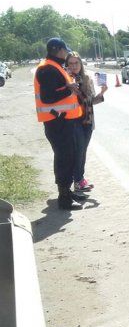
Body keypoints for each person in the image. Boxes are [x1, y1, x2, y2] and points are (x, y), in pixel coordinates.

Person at [35, 38, 85, 210]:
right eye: (65, 51)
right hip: (57, 122)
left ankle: (66, 192)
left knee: (67, 157)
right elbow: (47, 97)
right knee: (64, 159)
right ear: (59, 50)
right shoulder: (47, 69)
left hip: (61, 121)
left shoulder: (54, 66)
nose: (66, 54)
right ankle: (64, 198)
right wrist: (69, 88)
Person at [65, 51, 107, 192]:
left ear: (81, 64)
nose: (73, 66)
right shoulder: (67, 79)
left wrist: (102, 93)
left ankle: (79, 180)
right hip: (74, 120)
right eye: (70, 63)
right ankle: (78, 180)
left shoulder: (87, 78)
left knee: (82, 151)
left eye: (76, 63)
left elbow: (90, 101)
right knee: (79, 150)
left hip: (87, 121)